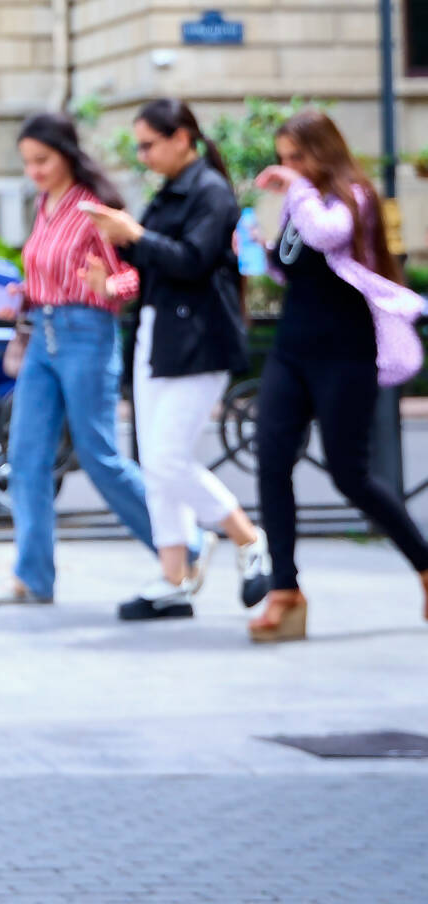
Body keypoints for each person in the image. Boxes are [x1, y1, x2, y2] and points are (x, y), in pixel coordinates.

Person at [244, 109, 428, 643]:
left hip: (344, 354)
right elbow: (296, 266)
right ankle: (285, 590)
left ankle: (424, 564)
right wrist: (261, 250)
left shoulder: (354, 197)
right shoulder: (302, 201)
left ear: (324, 151)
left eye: (298, 156)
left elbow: (328, 237)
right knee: (271, 460)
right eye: (283, 158)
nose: (289, 167)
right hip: (291, 351)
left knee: (350, 476)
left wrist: (296, 189)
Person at [85, 98, 271, 623]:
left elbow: (192, 260)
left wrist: (135, 235)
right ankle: (174, 579)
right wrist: (118, 248)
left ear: (182, 137)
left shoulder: (211, 191)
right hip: (157, 334)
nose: (143, 156)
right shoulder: (169, 190)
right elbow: (154, 262)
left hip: (200, 340)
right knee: (156, 464)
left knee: (167, 459)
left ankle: (249, 539)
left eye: (149, 144)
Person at [0, 112, 161, 606]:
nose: (34, 171)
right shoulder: (44, 204)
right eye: (27, 162)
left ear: (66, 153)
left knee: (99, 455)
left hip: (88, 333)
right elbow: (48, 274)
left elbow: (135, 276)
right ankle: (33, 576)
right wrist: (21, 296)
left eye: (42, 160)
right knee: (25, 457)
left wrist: (108, 286)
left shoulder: (94, 208)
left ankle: (182, 546)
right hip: (42, 333)